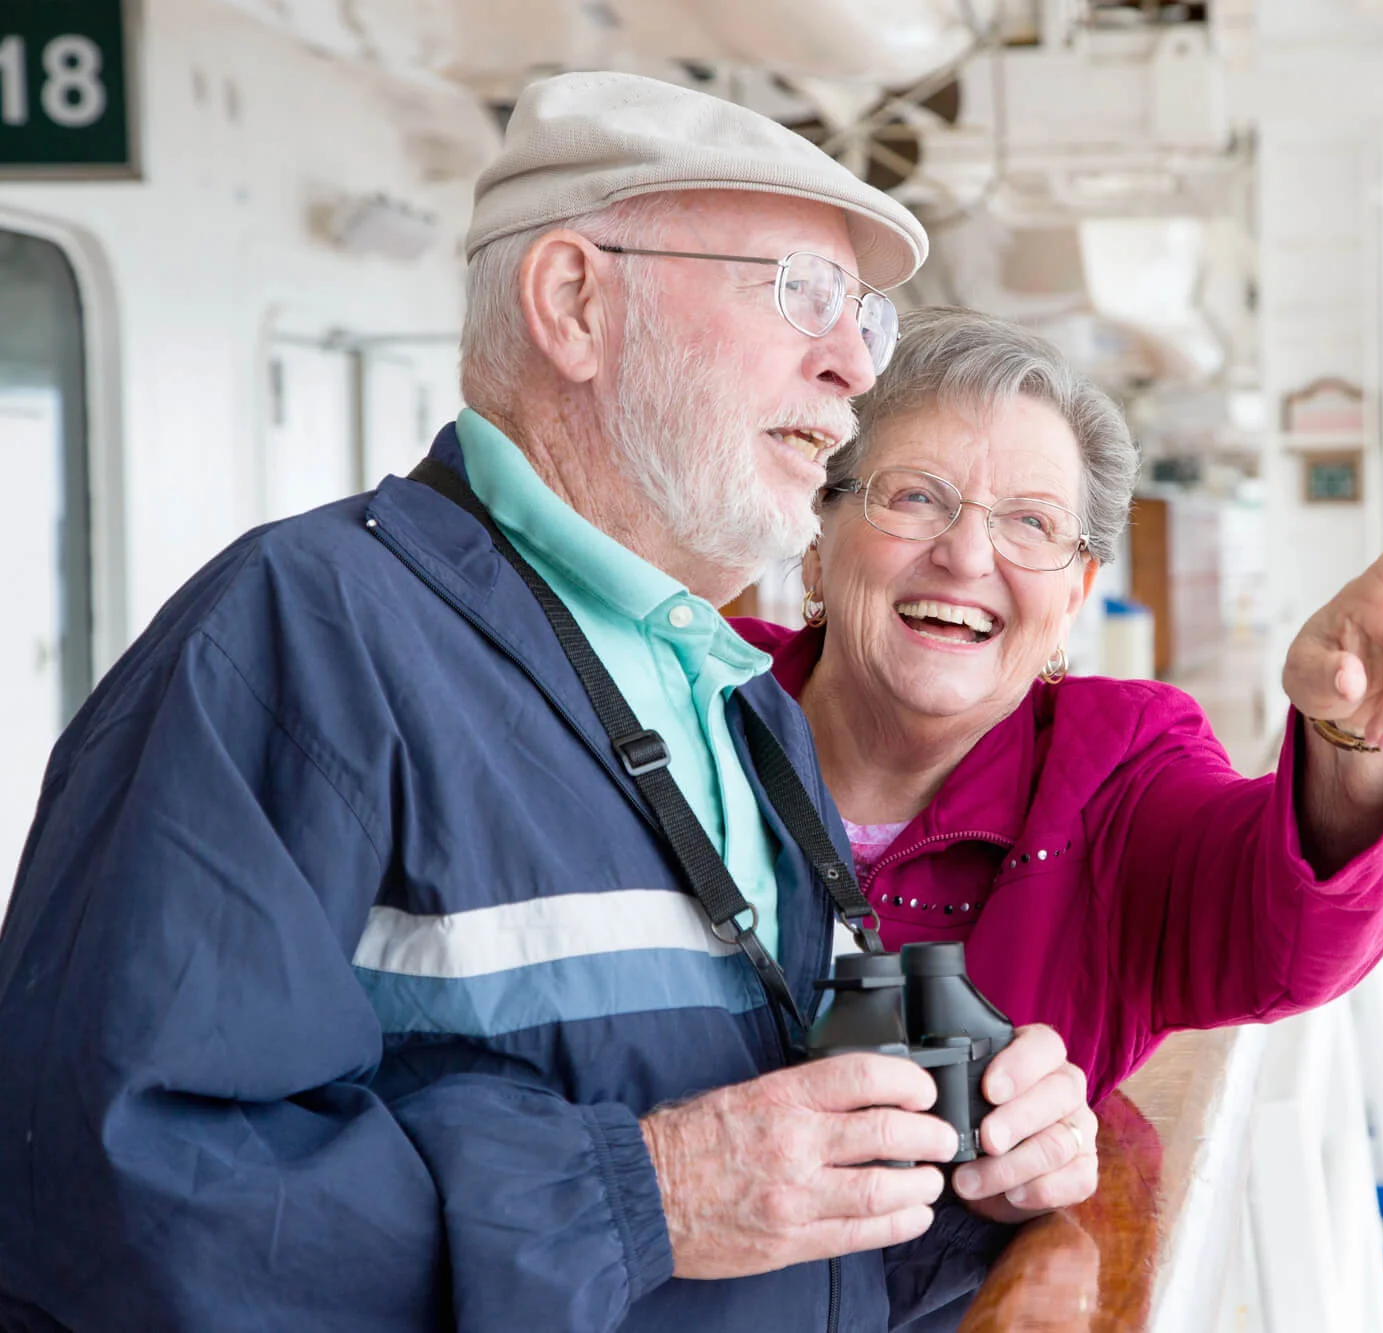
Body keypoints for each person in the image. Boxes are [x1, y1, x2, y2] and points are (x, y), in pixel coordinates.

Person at [0, 75, 1084, 1333]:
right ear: (575, 301)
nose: (849, 365)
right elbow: (109, 1202)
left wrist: (972, 1180)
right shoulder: (299, 636)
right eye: (799, 293)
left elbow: (773, 1229)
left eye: (864, 319)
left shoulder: (732, 701)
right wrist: (646, 1194)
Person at [737, 309, 1383, 1218]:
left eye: (1031, 523)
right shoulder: (690, 704)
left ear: (1076, 594)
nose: (967, 555)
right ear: (818, 539)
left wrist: (1355, 737)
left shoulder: (1117, 769)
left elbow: (1283, 931)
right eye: (916, 496)